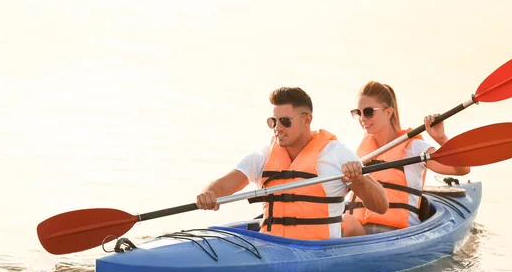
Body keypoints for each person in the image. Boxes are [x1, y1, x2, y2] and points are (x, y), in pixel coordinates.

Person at [196, 86, 388, 240]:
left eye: (285, 121)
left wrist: (359, 180)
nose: (277, 128)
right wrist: (208, 194)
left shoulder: (337, 154)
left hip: (319, 253)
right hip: (272, 249)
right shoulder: (261, 157)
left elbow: (381, 206)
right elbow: (223, 185)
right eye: (273, 121)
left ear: (307, 120)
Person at [344, 81, 471, 234]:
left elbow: (462, 169)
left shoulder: (414, 148)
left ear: (388, 112)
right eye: (357, 113)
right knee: (345, 221)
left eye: (369, 112)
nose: (362, 118)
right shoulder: (360, 154)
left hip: (398, 233)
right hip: (360, 231)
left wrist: (442, 138)